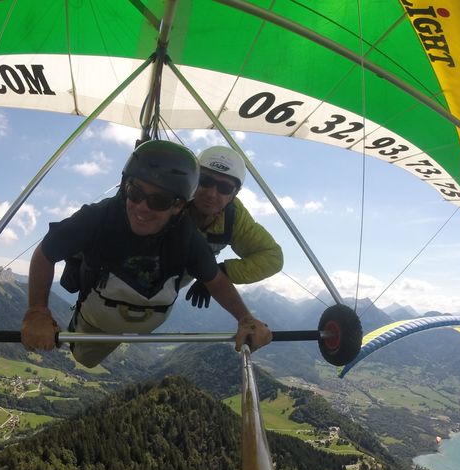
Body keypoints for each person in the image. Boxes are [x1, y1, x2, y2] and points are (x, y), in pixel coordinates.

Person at [21, 139, 272, 367]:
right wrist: (37, 312)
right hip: (100, 309)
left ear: (178, 206)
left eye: (159, 201)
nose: (142, 207)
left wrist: (245, 318)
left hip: (148, 310)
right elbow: (46, 252)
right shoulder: (99, 216)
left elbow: (215, 280)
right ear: (125, 187)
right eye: (135, 193)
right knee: (85, 359)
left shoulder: (187, 235)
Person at [184, 145, 283, 308]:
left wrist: (219, 272)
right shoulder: (172, 200)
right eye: (205, 180)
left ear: (234, 194)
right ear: (193, 179)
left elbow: (272, 257)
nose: (211, 193)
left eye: (224, 188)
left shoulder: (234, 217)